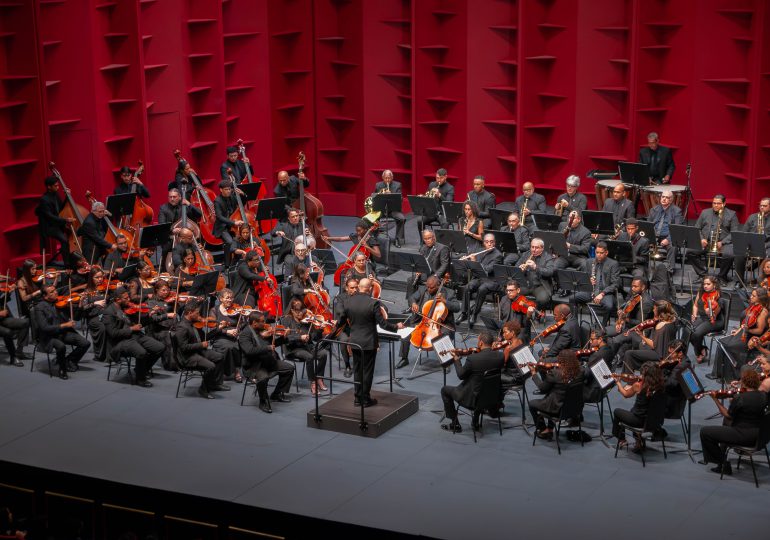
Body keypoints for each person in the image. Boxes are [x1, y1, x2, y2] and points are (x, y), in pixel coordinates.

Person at [338, 278, 403, 407]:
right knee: (367, 371)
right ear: (369, 289)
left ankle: (357, 398)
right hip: (368, 343)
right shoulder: (373, 303)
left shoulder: (348, 301)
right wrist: (397, 327)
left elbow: (341, 322)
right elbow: (383, 324)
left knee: (357, 370)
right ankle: (365, 399)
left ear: (359, 287)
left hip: (355, 341)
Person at [699, 369, 767, 475]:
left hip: (743, 435)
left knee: (705, 432)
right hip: (760, 435)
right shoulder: (763, 396)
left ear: (744, 382)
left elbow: (727, 415)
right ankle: (721, 463)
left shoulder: (740, 398)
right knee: (726, 423)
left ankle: (723, 463)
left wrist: (715, 400)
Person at [440, 331, 504, 432]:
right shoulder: (500, 356)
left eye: (478, 341)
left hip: (473, 400)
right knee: (480, 386)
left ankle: (455, 424)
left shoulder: (473, 359)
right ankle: (475, 421)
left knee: (445, 390)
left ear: (481, 343)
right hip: (492, 398)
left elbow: (461, 375)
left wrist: (456, 358)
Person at [103, 287, 164, 387]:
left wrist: (149, 315)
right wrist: (131, 329)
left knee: (160, 347)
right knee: (142, 353)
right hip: (121, 342)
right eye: (125, 298)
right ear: (118, 300)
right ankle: (140, 379)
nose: (129, 300)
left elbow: (140, 324)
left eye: (128, 297)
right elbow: (113, 333)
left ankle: (141, 369)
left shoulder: (126, 308)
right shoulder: (109, 313)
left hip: (135, 336)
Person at [398, 275, 461, 369]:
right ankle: (404, 358)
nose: (428, 289)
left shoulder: (449, 293)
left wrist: (445, 301)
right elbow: (412, 298)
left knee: (443, 334)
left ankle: (446, 361)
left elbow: (457, 307)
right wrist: (414, 303)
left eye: (431, 287)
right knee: (406, 333)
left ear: (438, 285)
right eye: (427, 286)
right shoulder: (423, 289)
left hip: (443, 323)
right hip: (423, 321)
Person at [238, 311, 295, 413]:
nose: (265, 324)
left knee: (289, 368)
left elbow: (273, 344)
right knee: (263, 378)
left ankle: (276, 394)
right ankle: (262, 401)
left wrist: (284, 338)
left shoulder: (261, 331)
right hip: (254, 366)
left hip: (268, 361)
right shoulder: (245, 334)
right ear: (254, 323)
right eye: (262, 322)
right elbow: (249, 351)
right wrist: (267, 347)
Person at [711, 287, 769, 382]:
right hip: (744, 333)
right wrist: (739, 329)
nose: (751, 297)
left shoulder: (763, 311)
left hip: (752, 338)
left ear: (760, 298)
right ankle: (720, 374)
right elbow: (745, 323)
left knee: (729, 346)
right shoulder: (753, 306)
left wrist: (746, 329)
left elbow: (759, 331)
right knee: (722, 342)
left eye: (754, 296)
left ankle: (731, 376)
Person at [33, 284, 90, 379]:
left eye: (55, 290)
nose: (56, 292)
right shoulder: (40, 307)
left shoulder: (62, 302)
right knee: (61, 346)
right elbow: (44, 328)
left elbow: (76, 318)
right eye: (51, 292)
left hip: (63, 332)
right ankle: (62, 369)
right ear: (45, 296)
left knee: (85, 343)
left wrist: (80, 305)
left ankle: (68, 361)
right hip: (49, 336)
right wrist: (64, 325)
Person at [173, 301, 228, 399]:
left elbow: (205, 339)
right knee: (211, 366)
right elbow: (184, 348)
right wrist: (201, 345)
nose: (200, 316)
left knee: (220, 357)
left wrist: (219, 329)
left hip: (197, 351)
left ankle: (215, 384)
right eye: (197, 313)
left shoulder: (193, 324)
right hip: (187, 357)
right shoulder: (182, 327)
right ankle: (203, 389)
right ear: (190, 313)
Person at [685, 195, 740, 285]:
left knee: (729, 255)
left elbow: (734, 232)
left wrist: (722, 242)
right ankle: (703, 275)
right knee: (690, 251)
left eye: (718, 203)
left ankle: (722, 277)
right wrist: (702, 239)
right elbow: (697, 228)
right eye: (714, 203)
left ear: (724, 203)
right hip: (706, 242)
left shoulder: (732, 214)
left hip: (723, 243)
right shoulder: (705, 212)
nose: (715, 205)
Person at [530, 350, 584, 440]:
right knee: (552, 396)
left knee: (532, 404)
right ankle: (550, 428)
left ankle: (543, 429)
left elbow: (542, 388)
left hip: (558, 409)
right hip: (574, 408)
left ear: (561, 360)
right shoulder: (581, 372)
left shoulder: (555, 374)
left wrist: (534, 373)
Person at [612, 362, 665, 452]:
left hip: (639, 421)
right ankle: (639, 441)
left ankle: (622, 439)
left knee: (617, 412)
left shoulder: (639, 386)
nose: (640, 375)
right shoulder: (661, 385)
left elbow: (625, 394)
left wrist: (618, 383)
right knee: (633, 410)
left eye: (642, 374)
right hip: (653, 421)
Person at [281, 298, 329, 395]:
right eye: (297, 311)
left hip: (306, 346)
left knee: (323, 354)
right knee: (309, 357)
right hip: (293, 348)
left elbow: (315, 338)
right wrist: (300, 337)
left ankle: (319, 378)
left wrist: (319, 330)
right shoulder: (286, 320)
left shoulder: (307, 320)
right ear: (292, 310)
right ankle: (313, 382)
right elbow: (286, 339)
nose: (300, 314)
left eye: (302, 311)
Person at [457, 234, 502, 328]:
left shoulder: (498, 255)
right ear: (484, 242)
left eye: (491, 242)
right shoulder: (480, 251)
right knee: (468, 287)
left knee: (482, 289)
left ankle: (474, 314)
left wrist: (474, 262)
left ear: (494, 242)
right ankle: (464, 312)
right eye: (487, 242)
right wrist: (465, 262)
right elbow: (473, 269)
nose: (489, 244)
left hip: (492, 281)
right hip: (479, 278)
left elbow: (487, 270)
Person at [622, 300, 678, 372]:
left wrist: (641, 335)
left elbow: (653, 345)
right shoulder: (672, 320)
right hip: (669, 352)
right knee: (641, 345)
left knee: (629, 353)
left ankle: (628, 377)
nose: (653, 310)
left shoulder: (660, 325)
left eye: (654, 309)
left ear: (660, 311)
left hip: (660, 355)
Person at [607, 277, 654, 360]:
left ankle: (610, 359)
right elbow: (627, 306)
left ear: (643, 287)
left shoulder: (646, 302)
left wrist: (626, 320)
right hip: (627, 326)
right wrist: (621, 318)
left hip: (638, 331)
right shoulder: (636, 296)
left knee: (616, 340)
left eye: (635, 286)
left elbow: (641, 323)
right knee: (603, 332)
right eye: (632, 286)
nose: (632, 288)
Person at [573, 241, 619, 320]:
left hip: (605, 293)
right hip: (591, 291)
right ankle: (573, 320)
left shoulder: (613, 264)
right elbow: (584, 278)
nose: (598, 255)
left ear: (606, 252)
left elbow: (615, 284)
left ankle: (602, 327)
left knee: (609, 306)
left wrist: (602, 293)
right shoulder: (590, 262)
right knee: (572, 298)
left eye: (601, 253)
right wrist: (589, 280)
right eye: (597, 252)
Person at [36, 175, 75, 264]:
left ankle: (72, 258)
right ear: (49, 187)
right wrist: (65, 220)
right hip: (50, 226)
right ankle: (67, 265)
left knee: (73, 233)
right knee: (65, 241)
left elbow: (60, 208)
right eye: (55, 186)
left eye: (58, 185)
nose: (58, 187)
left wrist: (67, 197)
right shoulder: (44, 200)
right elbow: (49, 216)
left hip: (57, 223)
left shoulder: (55, 195)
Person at [208, 288, 244, 383]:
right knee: (229, 347)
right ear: (220, 299)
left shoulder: (236, 309)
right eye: (227, 298)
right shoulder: (214, 311)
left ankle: (238, 370)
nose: (230, 300)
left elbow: (242, 324)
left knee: (243, 344)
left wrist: (237, 329)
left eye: (231, 298)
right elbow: (213, 329)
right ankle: (234, 371)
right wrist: (227, 332)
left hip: (235, 334)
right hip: (220, 335)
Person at [405, 229, 450, 301]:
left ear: (434, 237)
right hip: (425, 273)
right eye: (425, 239)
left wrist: (436, 275)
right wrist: (418, 270)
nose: (427, 240)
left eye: (429, 238)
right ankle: (411, 302)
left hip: (436, 274)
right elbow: (419, 261)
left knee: (431, 282)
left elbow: (444, 264)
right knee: (411, 280)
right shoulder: (423, 248)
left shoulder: (442, 248)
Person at [690, 277, 726, 364]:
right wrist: (694, 314)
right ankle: (702, 349)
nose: (705, 286)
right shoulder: (701, 292)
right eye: (704, 284)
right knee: (689, 330)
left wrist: (710, 312)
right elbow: (695, 305)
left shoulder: (719, 297)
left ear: (714, 285)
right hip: (702, 318)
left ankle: (700, 353)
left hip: (715, 320)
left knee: (697, 333)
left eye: (708, 284)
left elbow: (714, 315)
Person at [647, 189, 685, 272]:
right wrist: (650, 235)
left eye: (667, 197)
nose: (664, 199)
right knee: (640, 241)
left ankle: (670, 269)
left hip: (667, 236)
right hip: (654, 235)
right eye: (663, 197)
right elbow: (648, 225)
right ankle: (641, 266)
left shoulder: (677, 211)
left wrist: (668, 239)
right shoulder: (654, 209)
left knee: (673, 246)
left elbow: (677, 228)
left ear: (671, 200)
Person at [158, 189, 202, 260]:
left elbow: (199, 214)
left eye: (174, 197)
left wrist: (189, 204)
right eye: (170, 197)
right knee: (166, 249)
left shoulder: (185, 206)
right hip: (171, 236)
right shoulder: (163, 208)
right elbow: (162, 225)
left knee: (197, 246)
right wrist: (172, 230)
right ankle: (165, 267)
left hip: (188, 239)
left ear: (180, 197)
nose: (172, 199)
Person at [146, 279, 179, 371]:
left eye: (168, 290)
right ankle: (170, 365)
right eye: (163, 290)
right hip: (157, 330)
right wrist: (167, 315)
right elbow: (154, 318)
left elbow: (178, 311)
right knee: (167, 337)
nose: (166, 292)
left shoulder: (170, 300)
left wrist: (176, 304)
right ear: (157, 290)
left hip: (170, 326)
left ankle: (182, 361)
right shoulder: (151, 302)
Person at [78, 267, 109, 363]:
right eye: (97, 277)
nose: (100, 279)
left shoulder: (105, 287)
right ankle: (100, 354)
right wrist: (95, 303)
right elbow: (83, 308)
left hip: (105, 315)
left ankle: (112, 353)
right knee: (102, 327)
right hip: (93, 317)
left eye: (101, 277)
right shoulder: (87, 291)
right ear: (91, 278)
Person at [735, 198, 770, 281]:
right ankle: (739, 281)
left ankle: (764, 281)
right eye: (760, 205)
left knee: (768, 255)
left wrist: (766, 244)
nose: (761, 207)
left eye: (764, 206)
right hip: (751, 245)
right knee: (739, 255)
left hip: (767, 245)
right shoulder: (752, 217)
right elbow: (744, 232)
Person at [517, 238, 556, 309]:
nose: (534, 250)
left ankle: (537, 314)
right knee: (512, 292)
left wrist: (536, 267)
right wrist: (520, 269)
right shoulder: (526, 254)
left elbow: (550, 272)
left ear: (542, 248)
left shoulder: (548, 257)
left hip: (540, 285)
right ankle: (521, 313)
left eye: (537, 247)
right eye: (532, 247)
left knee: (543, 299)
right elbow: (516, 267)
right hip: (525, 284)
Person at [213, 180, 244, 267]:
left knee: (241, 239)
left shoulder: (233, 197)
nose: (228, 191)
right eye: (226, 189)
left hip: (233, 226)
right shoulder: (217, 201)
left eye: (230, 189)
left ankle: (237, 262)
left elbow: (242, 205)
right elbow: (219, 217)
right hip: (223, 227)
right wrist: (233, 222)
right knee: (229, 242)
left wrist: (243, 195)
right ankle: (227, 265)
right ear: (221, 190)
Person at [333, 277, 359, 378]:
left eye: (356, 287)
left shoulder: (360, 296)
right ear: (347, 288)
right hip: (343, 326)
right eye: (352, 288)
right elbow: (340, 310)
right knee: (344, 340)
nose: (355, 290)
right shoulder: (341, 297)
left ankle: (360, 363)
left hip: (356, 326)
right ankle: (347, 365)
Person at [0, 284, 30, 367]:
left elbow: (2, 301)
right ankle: (13, 357)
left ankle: (19, 351)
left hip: (2, 319)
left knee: (25, 322)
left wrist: (9, 292)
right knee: (7, 332)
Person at [374, 169, 406, 247]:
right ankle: (375, 238)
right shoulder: (378, 185)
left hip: (393, 210)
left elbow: (400, 199)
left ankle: (397, 239)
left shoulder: (397, 185)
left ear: (392, 177)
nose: (387, 180)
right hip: (381, 210)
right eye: (386, 178)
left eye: (389, 178)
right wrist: (381, 195)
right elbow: (374, 198)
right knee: (372, 218)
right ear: (383, 178)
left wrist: (391, 195)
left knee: (402, 219)